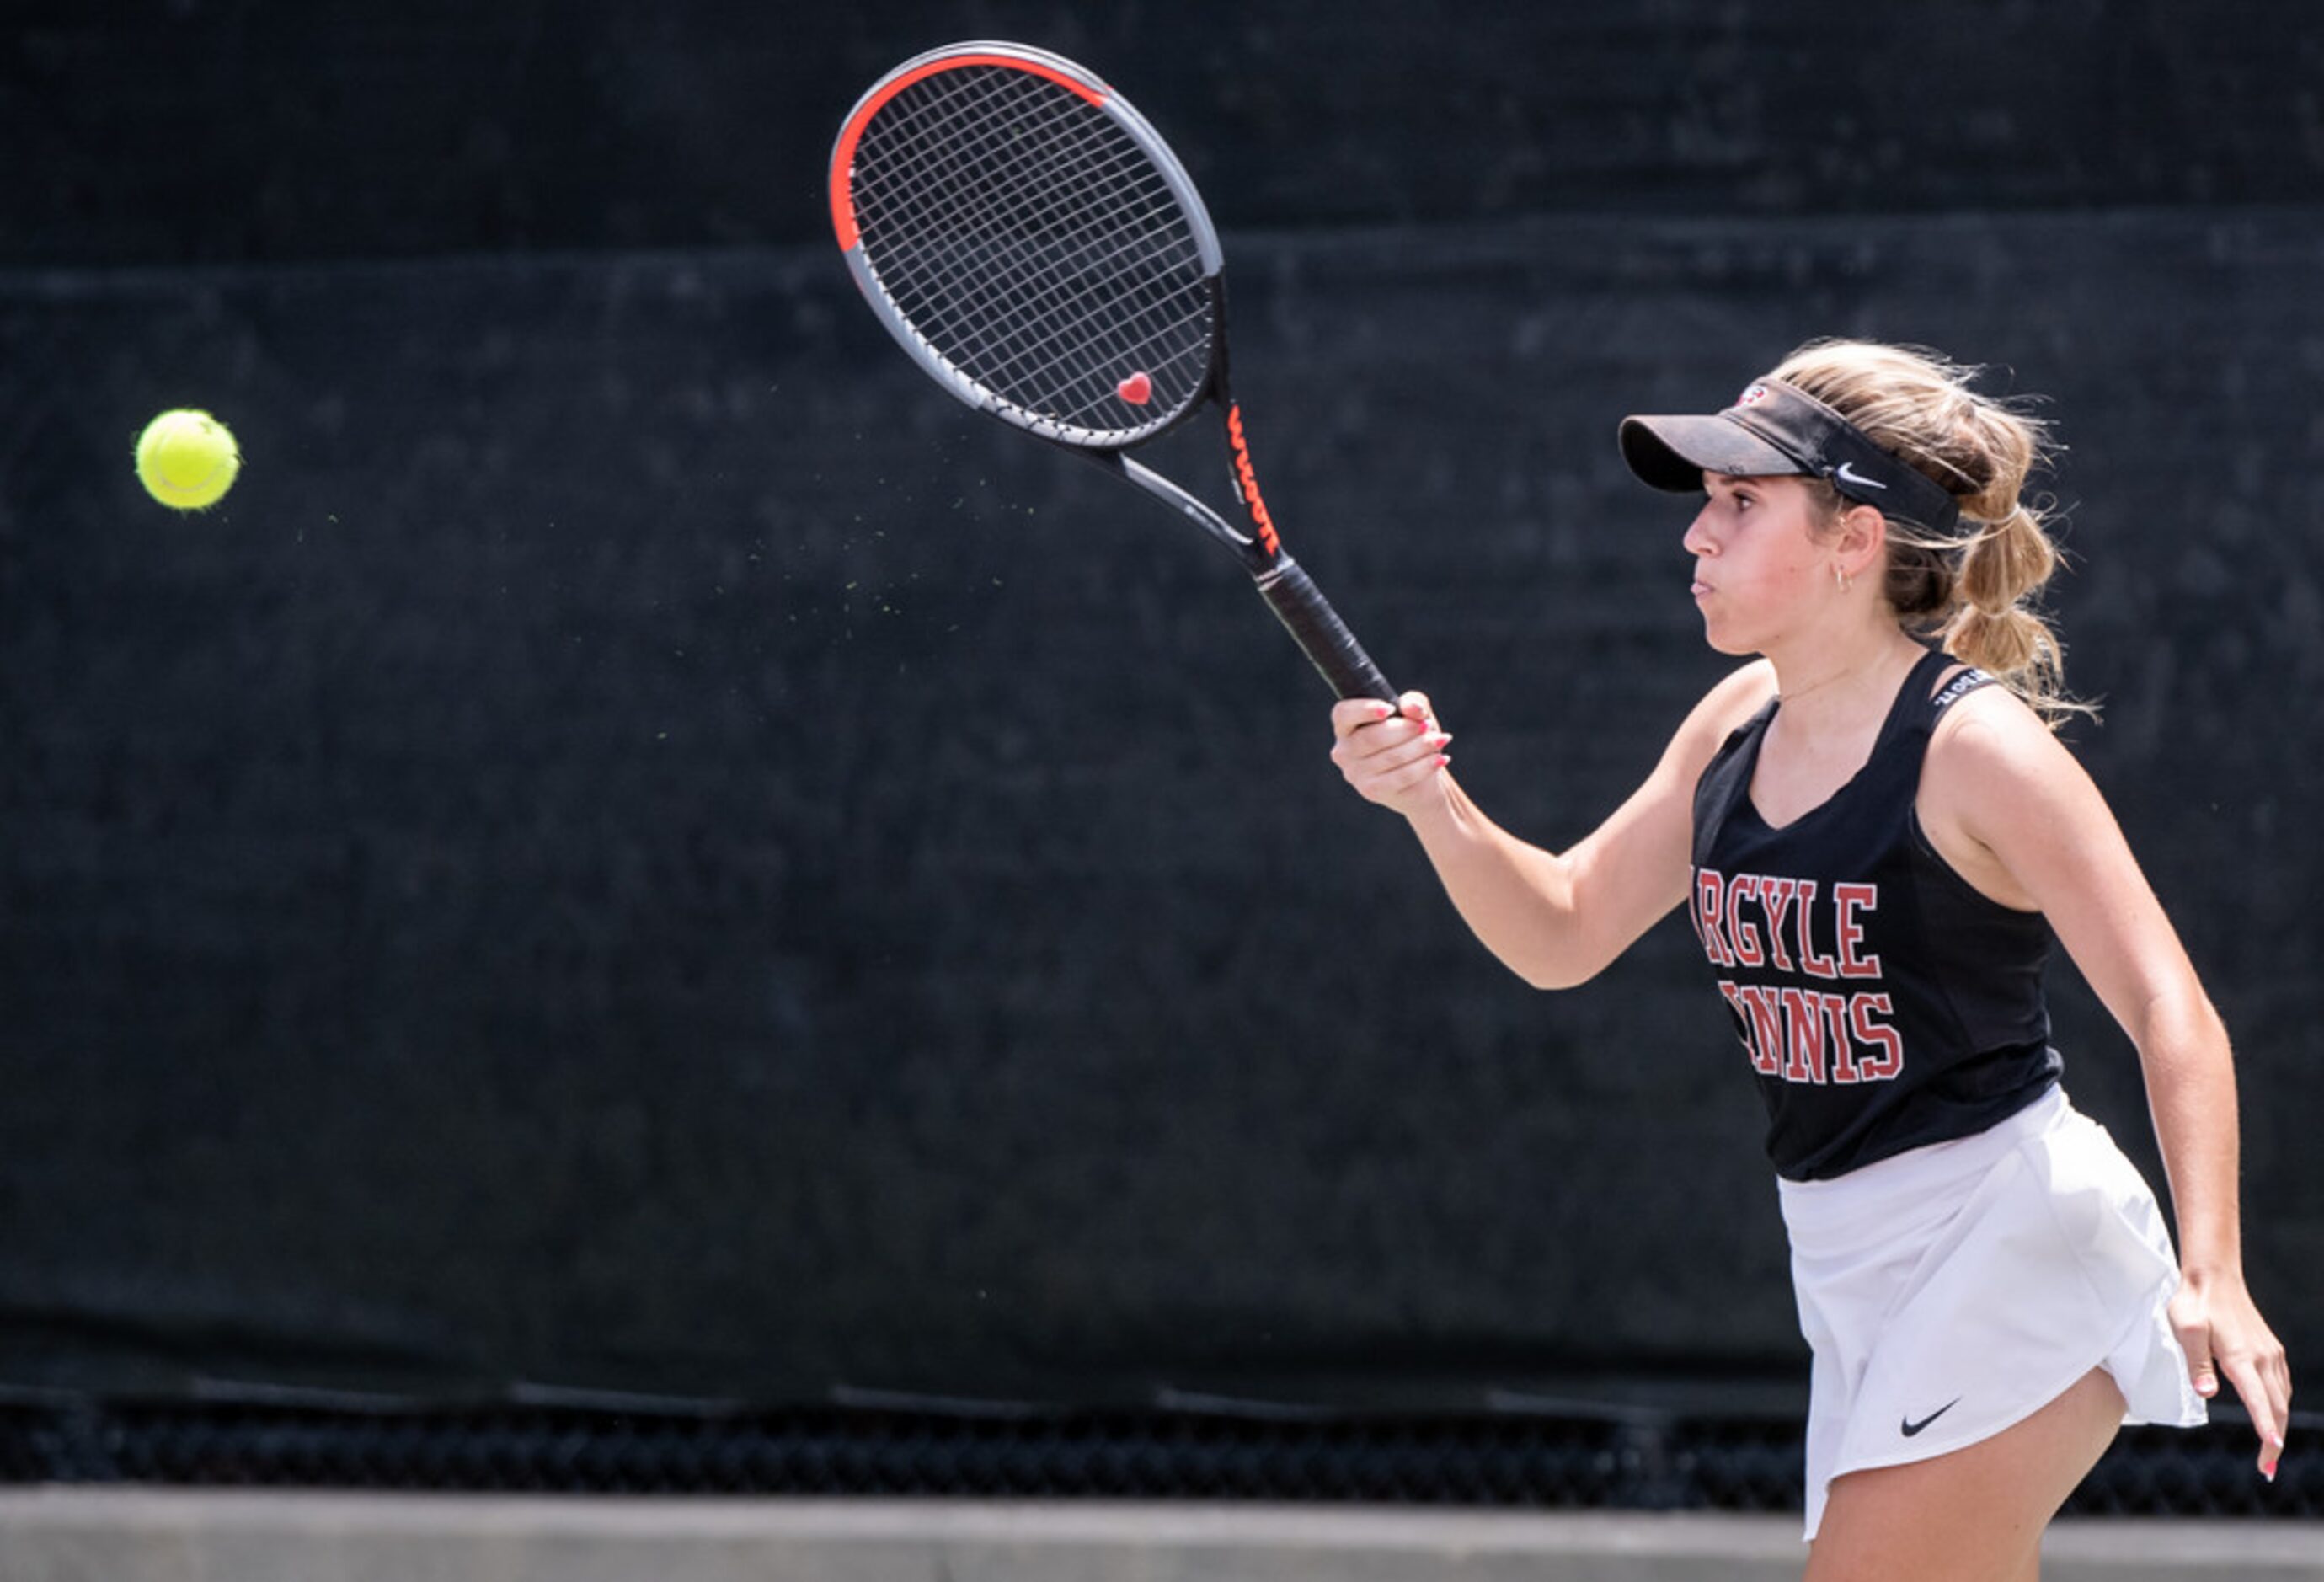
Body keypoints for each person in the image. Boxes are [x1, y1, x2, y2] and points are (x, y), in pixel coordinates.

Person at [1328, 339, 2290, 1579]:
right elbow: (1563, 928)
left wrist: (2217, 1268)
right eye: (1707, 506)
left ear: (1856, 541)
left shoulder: (1975, 751)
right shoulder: (1733, 727)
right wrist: (1429, 803)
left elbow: (2174, 1006)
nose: (1696, 537)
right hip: (1845, 1260)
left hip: (2010, 1237)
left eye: (1741, 503)